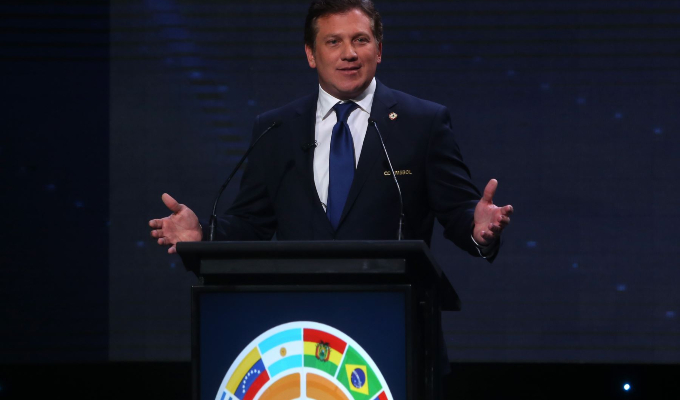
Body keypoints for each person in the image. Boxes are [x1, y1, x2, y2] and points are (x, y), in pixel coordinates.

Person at [149, 0, 513, 258]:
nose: (348, 53)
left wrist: (478, 228)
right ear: (311, 54)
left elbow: (457, 210)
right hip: (304, 318)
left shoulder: (423, 122)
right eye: (333, 41)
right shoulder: (276, 128)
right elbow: (250, 223)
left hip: (397, 310)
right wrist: (202, 235)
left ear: (379, 50)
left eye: (360, 40)